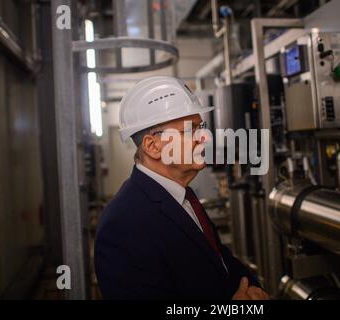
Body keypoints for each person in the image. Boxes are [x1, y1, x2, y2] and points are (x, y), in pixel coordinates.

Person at [94, 76, 269, 300]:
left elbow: (220, 262)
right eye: (190, 130)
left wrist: (252, 289)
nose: (204, 137)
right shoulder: (122, 224)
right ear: (153, 146)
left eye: (201, 127)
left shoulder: (183, 196)